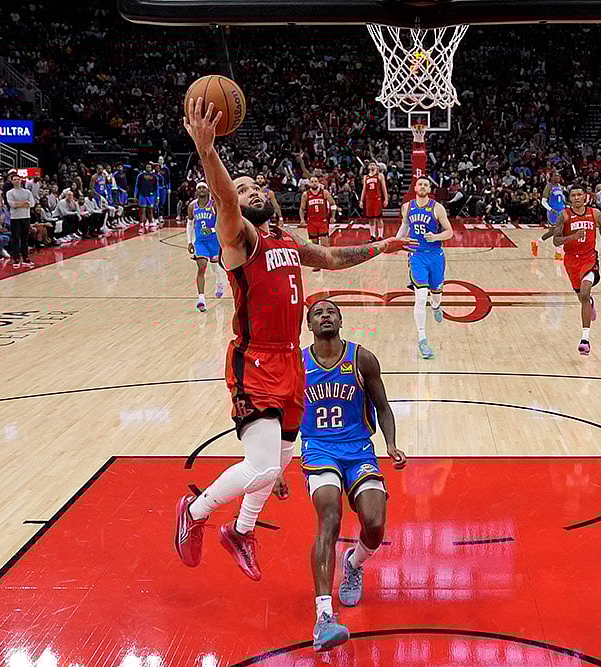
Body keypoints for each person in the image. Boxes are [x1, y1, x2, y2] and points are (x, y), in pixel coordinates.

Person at [173, 97, 414, 581]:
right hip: (255, 363)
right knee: (262, 469)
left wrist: (381, 246)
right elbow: (223, 199)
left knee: (281, 460)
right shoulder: (239, 238)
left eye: (257, 185)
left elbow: (331, 259)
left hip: (290, 364)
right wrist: (207, 151)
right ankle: (194, 512)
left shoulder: (284, 239)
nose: (252, 190)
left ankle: (241, 530)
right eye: (242, 189)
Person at [291, 299, 406, 652]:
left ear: (341, 320)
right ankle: (324, 616)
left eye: (330, 312)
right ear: (309, 325)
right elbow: (284, 413)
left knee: (374, 522)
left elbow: (383, 407)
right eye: (317, 313)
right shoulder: (298, 362)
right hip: (319, 450)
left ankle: (353, 562)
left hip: (358, 450)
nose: (325, 316)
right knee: (329, 516)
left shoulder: (362, 358)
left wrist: (391, 444)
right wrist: (278, 463)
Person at [395, 176, 453, 359]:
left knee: (436, 293)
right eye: (420, 183)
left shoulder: (437, 208)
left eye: (426, 184)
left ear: (429, 189)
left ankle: (436, 306)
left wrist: (435, 237)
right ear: (415, 186)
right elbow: (404, 227)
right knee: (420, 297)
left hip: (435, 256)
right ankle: (422, 339)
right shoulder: (407, 207)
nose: (422, 186)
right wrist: (395, 243)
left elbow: (449, 232)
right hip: (416, 255)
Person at [552, 185, 601, 356]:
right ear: (569, 198)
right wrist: (572, 236)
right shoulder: (564, 216)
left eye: (580, 195)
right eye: (573, 195)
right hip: (571, 262)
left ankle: (585, 339)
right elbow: (556, 241)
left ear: (585, 196)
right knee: (582, 297)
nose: (577, 198)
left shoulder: (595, 213)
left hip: (589, 259)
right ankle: (590, 303)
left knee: (585, 293)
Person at [186, 181, 226, 309]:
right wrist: (189, 241)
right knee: (201, 267)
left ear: (208, 190)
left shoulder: (214, 205)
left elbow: (222, 223)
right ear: (196, 191)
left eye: (204, 188)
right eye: (199, 188)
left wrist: (212, 230)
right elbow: (190, 224)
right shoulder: (192, 206)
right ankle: (201, 299)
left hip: (214, 240)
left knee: (215, 268)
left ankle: (219, 281)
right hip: (200, 242)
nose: (202, 190)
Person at [300, 176, 337, 272]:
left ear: (318, 183)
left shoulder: (324, 193)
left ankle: (328, 261)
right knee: (314, 245)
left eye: (316, 181)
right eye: (312, 182)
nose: (314, 183)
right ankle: (318, 263)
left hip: (322, 221)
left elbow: (333, 204)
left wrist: (333, 217)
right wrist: (302, 219)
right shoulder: (305, 194)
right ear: (309, 183)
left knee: (325, 243)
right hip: (311, 222)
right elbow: (302, 209)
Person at [6, 174, 36, 268]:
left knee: (25, 239)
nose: (17, 181)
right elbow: (12, 205)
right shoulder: (10, 192)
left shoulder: (27, 192)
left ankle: (26, 257)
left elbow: (32, 204)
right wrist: (24, 203)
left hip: (26, 217)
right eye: (14, 179)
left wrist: (19, 204)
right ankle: (16, 259)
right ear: (12, 181)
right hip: (15, 218)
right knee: (15, 239)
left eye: (18, 179)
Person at [361, 162, 388, 242]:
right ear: (368, 167)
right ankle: (372, 235)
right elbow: (364, 189)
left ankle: (380, 236)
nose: (372, 166)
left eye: (373, 165)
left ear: (377, 167)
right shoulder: (366, 177)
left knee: (379, 218)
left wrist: (386, 199)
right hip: (369, 199)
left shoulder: (380, 175)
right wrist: (361, 200)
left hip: (377, 199)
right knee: (370, 218)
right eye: (371, 164)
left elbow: (384, 188)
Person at [133, 162, 159, 232]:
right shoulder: (140, 175)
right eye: (147, 167)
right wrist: (135, 195)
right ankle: (141, 225)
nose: (148, 168)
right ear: (145, 168)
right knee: (142, 211)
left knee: (150, 211)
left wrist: (158, 197)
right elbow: (137, 186)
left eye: (150, 167)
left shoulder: (154, 177)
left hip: (151, 196)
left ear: (151, 168)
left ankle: (151, 224)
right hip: (142, 195)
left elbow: (156, 188)